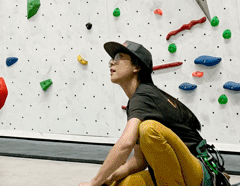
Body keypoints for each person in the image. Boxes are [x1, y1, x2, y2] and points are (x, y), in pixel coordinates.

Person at [79, 41, 229, 186]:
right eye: (111, 59)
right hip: (182, 173)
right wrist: (111, 176)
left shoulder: (144, 95)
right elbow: (139, 161)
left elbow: (125, 144)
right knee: (116, 184)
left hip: (200, 175)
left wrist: (94, 183)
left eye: (119, 58)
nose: (112, 62)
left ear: (136, 67)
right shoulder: (138, 100)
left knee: (149, 129)